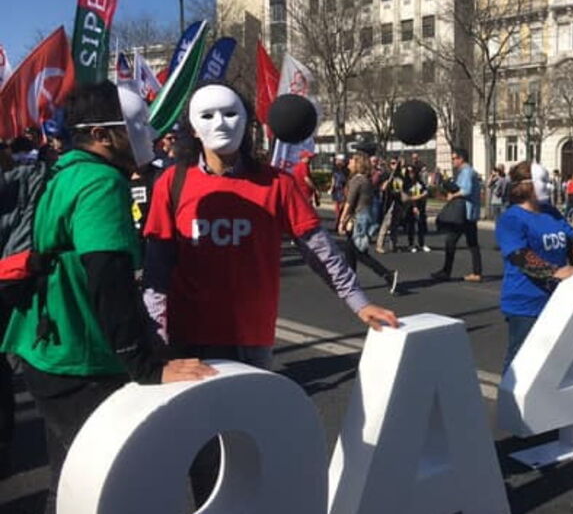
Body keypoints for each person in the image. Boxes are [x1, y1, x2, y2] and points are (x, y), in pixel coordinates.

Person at [142, 84, 397, 506]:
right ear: (192, 125)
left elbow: (319, 251)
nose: (220, 124)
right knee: (204, 450)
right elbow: (157, 266)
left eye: (231, 113)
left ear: (248, 122)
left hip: (251, 339)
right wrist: (157, 338)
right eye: (208, 115)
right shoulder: (171, 183)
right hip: (191, 340)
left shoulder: (277, 184)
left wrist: (359, 302)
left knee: (248, 440)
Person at [2, 82, 216, 513]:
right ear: (101, 134)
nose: (148, 133)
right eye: (135, 124)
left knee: (70, 481)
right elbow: (107, 275)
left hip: (47, 349)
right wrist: (146, 365)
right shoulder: (101, 181)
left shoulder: (65, 169)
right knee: (115, 482)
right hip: (81, 360)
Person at [496, 161, 573, 369]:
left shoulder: (551, 212)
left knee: (553, 365)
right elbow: (520, 256)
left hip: (557, 300)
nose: (550, 186)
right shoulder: (511, 219)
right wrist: (557, 271)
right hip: (525, 304)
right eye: (543, 181)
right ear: (526, 185)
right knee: (521, 363)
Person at [339, 153, 400, 291]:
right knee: (350, 251)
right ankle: (351, 282)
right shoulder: (366, 180)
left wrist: (342, 221)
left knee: (359, 252)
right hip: (364, 217)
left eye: (352, 161)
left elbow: (350, 203)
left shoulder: (357, 180)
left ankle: (387, 274)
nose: (349, 162)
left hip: (358, 220)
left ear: (358, 163)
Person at [431, 148, 482, 282]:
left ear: (461, 159)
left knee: (451, 241)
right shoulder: (467, 172)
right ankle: (477, 272)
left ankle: (446, 272)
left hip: (463, 212)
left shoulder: (466, 172)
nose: (453, 161)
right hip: (469, 212)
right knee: (472, 243)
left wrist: (452, 195)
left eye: (454, 158)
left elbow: (466, 190)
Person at [402, 164, 430, 252]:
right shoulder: (406, 184)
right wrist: (420, 197)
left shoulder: (419, 182)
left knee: (421, 225)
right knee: (411, 226)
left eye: (413, 172)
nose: (411, 174)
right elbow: (407, 197)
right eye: (409, 172)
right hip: (410, 207)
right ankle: (411, 244)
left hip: (420, 206)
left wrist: (422, 196)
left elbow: (425, 191)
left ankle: (421, 243)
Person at [329, 154, 348, 232]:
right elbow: (333, 179)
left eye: (339, 160)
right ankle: (337, 223)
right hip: (336, 191)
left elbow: (346, 181)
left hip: (343, 190)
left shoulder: (346, 170)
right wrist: (331, 187)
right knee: (337, 209)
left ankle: (341, 224)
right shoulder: (335, 169)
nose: (337, 162)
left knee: (341, 209)